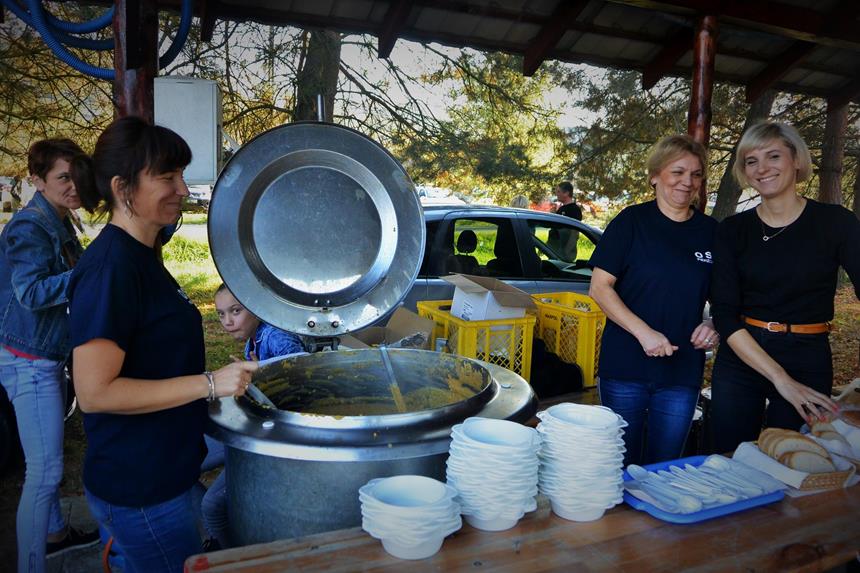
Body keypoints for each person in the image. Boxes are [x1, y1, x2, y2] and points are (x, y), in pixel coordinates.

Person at [67, 116, 258, 573]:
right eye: (167, 177)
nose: (183, 189)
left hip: (160, 474)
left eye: (182, 176)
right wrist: (209, 383)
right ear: (122, 187)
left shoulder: (140, 256)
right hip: (142, 488)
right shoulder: (112, 269)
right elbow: (96, 393)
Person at [709, 121, 859, 453]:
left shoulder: (836, 223)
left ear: (796, 160)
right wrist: (779, 378)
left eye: (773, 156)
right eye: (751, 161)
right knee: (728, 458)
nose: (762, 168)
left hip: (808, 356)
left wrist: (791, 379)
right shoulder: (732, 230)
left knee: (794, 460)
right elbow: (724, 313)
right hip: (742, 356)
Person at [588, 135, 718, 466]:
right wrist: (644, 333)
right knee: (619, 464)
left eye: (696, 174)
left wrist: (714, 323)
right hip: (624, 367)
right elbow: (600, 288)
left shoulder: (712, 233)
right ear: (655, 175)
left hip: (681, 371)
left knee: (665, 467)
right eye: (677, 172)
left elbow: (726, 297)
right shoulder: (631, 222)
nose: (687, 182)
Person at [0, 139, 99, 572]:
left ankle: (56, 535)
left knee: (41, 460)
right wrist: (85, 274)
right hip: (28, 360)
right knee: (45, 472)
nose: (74, 185)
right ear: (37, 181)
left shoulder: (59, 220)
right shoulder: (29, 227)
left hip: (40, 355)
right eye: (63, 177)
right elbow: (32, 292)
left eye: (77, 175)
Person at [199, 285, 305, 549]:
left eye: (235, 311)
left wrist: (263, 372)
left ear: (256, 306)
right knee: (181, 462)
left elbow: (303, 370)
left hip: (274, 438)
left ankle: (230, 553)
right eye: (221, 314)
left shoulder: (275, 336)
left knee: (212, 505)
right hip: (254, 427)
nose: (228, 322)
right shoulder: (254, 339)